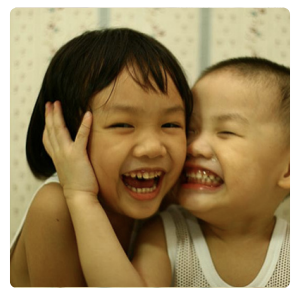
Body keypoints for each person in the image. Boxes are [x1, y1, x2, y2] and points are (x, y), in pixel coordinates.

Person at [41, 56, 289, 287]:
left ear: (288, 170)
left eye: (226, 132)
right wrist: (81, 196)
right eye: (188, 130)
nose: (192, 147)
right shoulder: (167, 232)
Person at [10, 28, 193, 287]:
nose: (153, 148)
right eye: (122, 125)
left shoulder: (167, 206)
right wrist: (80, 196)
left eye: (171, 125)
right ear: (67, 134)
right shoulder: (55, 208)